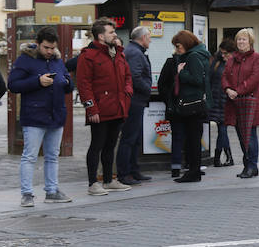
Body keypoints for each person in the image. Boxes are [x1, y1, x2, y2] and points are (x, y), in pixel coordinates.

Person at [8, 27, 74, 207]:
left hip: (56, 115)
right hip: (34, 116)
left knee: (52, 156)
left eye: (53, 48)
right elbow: (13, 84)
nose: (50, 52)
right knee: (29, 156)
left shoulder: (57, 60)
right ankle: (27, 194)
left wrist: (67, 82)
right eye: (46, 48)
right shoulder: (25, 60)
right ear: (38, 44)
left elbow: (68, 82)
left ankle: (52, 191)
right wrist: (37, 81)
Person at [77, 19, 133, 196]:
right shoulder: (88, 56)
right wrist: (91, 108)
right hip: (100, 110)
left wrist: (127, 93)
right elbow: (84, 85)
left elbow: (128, 77)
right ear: (101, 36)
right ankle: (93, 183)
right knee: (97, 145)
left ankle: (109, 180)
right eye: (111, 32)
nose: (115, 35)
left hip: (117, 107)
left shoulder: (119, 54)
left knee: (110, 145)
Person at [222, 28, 259, 178]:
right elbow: (225, 76)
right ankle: (247, 165)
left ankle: (252, 166)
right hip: (234, 103)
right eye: (239, 39)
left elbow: (255, 78)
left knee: (250, 135)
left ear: (250, 41)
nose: (241, 42)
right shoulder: (231, 59)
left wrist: (238, 91)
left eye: (244, 39)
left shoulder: (257, 58)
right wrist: (228, 89)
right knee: (241, 135)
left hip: (250, 102)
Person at [170, 30, 212, 183]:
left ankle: (193, 172)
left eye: (178, 46)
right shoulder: (200, 54)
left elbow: (197, 79)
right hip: (197, 104)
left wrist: (181, 73)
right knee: (194, 138)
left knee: (192, 139)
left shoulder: (193, 57)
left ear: (186, 44)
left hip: (192, 104)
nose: (177, 49)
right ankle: (195, 170)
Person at [117, 26, 153, 186]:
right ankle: (125, 173)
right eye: (149, 37)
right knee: (129, 138)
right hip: (134, 101)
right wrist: (148, 88)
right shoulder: (135, 53)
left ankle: (134, 170)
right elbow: (134, 77)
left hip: (136, 101)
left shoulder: (133, 51)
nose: (151, 40)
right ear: (143, 37)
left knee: (135, 137)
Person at [157, 51, 184, 177]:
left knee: (190, 136)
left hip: (190, 106)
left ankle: (191, 165)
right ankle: (176, 166)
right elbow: (162, 84)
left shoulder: (193, 60)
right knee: (177, 136)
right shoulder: (171, 62)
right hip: (175, 107)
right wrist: (169, 101)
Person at [209, 39, 236, 167]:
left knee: (222, 128)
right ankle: (225, 157)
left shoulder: (217, 62)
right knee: (222, 128)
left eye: (226, 53)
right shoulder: (221, 63)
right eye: (222, 53)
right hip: (222, 99)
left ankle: (221, 157)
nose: (224, 55)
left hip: (220, 99)